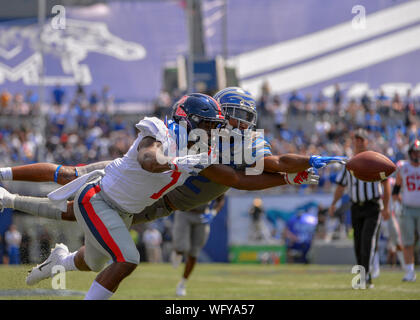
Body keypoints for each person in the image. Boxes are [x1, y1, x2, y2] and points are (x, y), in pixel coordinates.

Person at [0, 93, 317, 300]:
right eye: (206, 124)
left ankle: (59, 262)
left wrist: (291, 175)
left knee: (94, 260)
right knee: (124, 256)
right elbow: (150, 160)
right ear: (187, 120)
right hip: (101, 193)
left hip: (125, 206)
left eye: (213, 125)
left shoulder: (205, 152)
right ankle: (6, 188)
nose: (210, 130)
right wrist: (181, 162)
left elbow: (236, 178)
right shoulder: (160, 131)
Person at [0, 87, 344, 228]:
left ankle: (17, 207)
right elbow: (242, 178)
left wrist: (291, 173)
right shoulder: (205, 141)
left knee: (86, 222)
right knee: (70, 176)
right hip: (144, 178)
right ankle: (5, 177)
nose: (241, 124)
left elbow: (263, 169)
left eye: (245, 119)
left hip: (161, 198)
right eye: (234, 116)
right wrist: (304, 166)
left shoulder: (239, 144)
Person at [329, 128, 390, 288]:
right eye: (356, 140)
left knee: (367, 241)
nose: (358, 143)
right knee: (357, 244)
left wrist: (386, 207)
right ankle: (363, 276)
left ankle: (366, 276)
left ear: (366, 142)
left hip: (372, 206)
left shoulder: (375, 161)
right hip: (356, 206)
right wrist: (334, 203)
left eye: (361, 140)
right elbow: (341, 186)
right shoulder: (349, 163)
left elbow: (386, 183)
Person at [171, 195, 225, 296]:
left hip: (202, 215)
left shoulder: (217, 180)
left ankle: (183, 283)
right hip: (184, 213)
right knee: (182, 247)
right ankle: (177, 251)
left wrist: (213, 213)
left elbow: (221, 199)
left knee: (194, 253)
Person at [392, 139, 420, 282]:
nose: (417, 155)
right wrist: (396, 203)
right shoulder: (403, 166)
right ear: (410, 153)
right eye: (415, 152)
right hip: (408, 208)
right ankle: (409, 271)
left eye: (419, 152)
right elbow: (396, 188)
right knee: (408, 242)